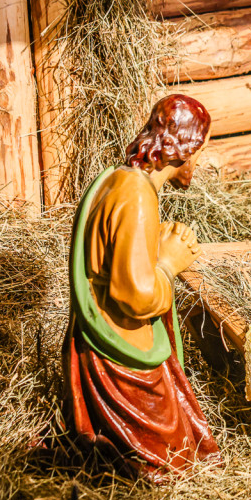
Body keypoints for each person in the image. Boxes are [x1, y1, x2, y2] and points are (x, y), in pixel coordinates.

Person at [63, 94, 219, 480]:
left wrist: (157, 246)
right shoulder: (137, 197)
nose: (200, 161)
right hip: (120, 349)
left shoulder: (120, 179)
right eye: (200, 151)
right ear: (183, 149)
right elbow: (133, 296)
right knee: (171, 451)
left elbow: (119, 254)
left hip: (101, 336)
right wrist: (169, 264)